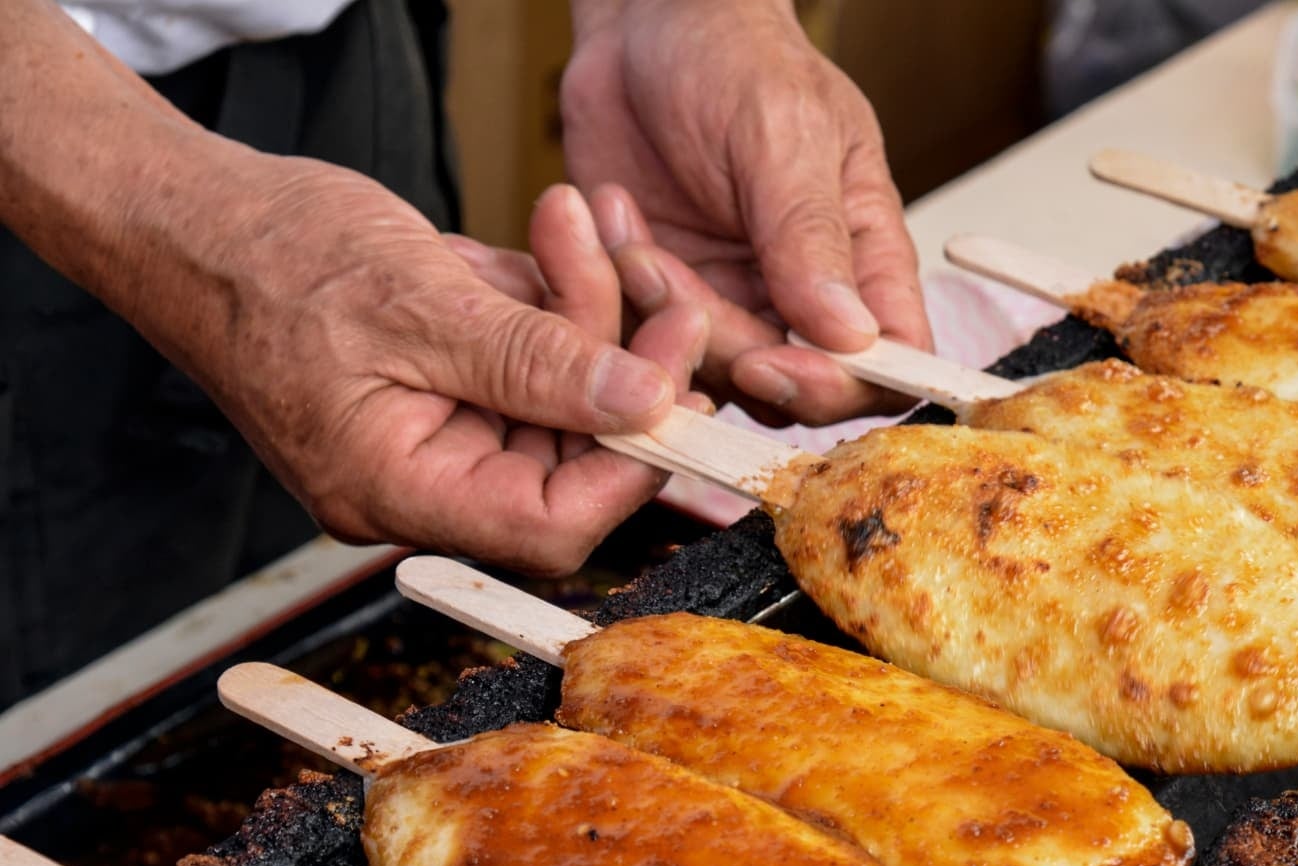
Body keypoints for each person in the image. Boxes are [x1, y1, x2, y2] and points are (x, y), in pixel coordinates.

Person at [0, 0, 932, 707]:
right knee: (82, 701)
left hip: (342, 54)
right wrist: (184, 218)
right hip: (37, 114)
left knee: (329, 579)